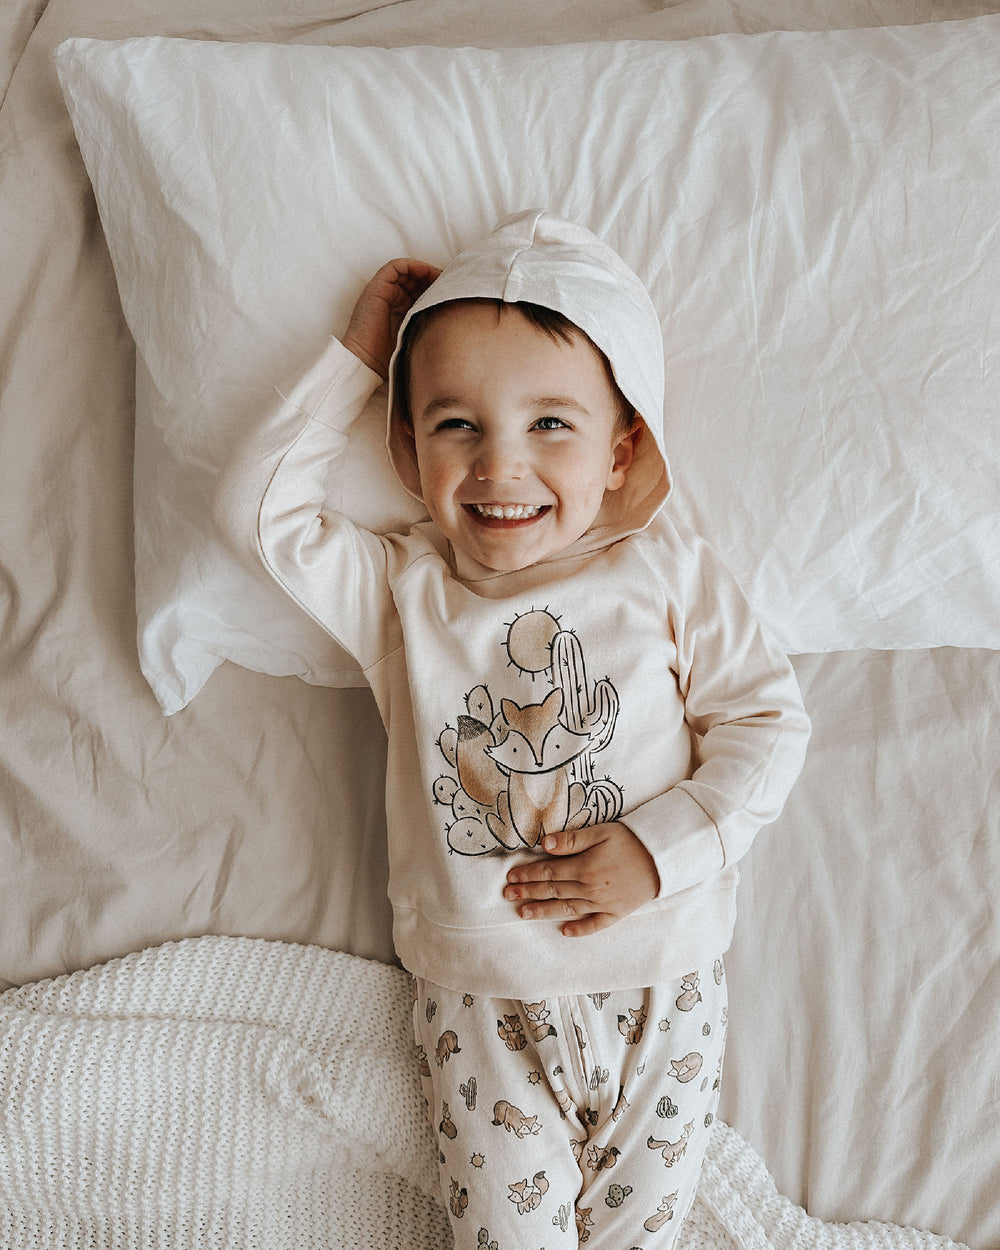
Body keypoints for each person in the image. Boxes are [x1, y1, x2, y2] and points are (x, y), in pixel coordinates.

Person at [218, 210, 810, 1247]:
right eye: (455, 424)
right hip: (481, 1005)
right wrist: (357, 358)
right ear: (405, 447)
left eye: (549, 424)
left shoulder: (668, 572)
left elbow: (766, 723)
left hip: (661, 980)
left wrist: (659, 851)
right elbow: (261, 514)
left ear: (623, 449)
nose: (499, 465)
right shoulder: (404, 593)